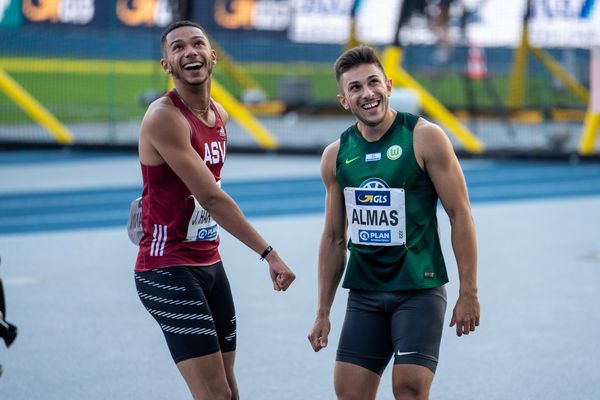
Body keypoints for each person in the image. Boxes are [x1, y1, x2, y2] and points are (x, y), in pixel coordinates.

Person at [132, 20, 295, 400]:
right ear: (166, 65)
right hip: (166, 267)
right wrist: (268, 253)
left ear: (212, 56)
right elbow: (211, 198)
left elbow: (204, 193)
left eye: (197, 44)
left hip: (209, 261)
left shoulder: (220, 115)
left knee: (228, 388)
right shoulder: (164, 118)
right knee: (215, 394)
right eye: (178, 48)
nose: (189, 51)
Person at [307, 45, 480, 400]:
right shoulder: (336, 156)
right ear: (344, 101)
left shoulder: (424, 137)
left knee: (409, 388)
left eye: (373, 83)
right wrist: (322, 311)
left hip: (418, 290)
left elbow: (459, 214)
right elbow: (334, 238)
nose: (367, 93)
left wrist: (469, 291)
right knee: (348, 391)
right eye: (355, 88)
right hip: (365, 293)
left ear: (388, 86)